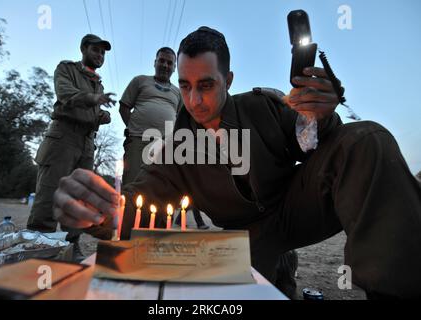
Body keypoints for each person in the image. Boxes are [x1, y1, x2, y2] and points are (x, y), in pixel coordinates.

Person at [53, 27, 421, 298]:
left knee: (367, 138)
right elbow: (139, 199)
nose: (194, 100)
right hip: (243, 239)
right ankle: (279, 269)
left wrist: (320, 114)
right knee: (243, 295)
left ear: (228, 79)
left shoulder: (262, 106)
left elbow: (320, 145)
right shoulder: (177, 146)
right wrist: (98, 212)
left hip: (295, 207)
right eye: (185, 86)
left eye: (206, 85)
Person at [27, 34, 116, 261]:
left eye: (103, 52)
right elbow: (65, 94)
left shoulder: (98, 83)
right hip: (63, 136)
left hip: (87, 142)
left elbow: (92, 111)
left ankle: (71, 246)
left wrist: (102, 116)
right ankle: (38, 248)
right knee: (50, 191)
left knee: (79, 196)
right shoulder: (67, 69)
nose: (100, 55)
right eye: (96, 50)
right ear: (83, 49)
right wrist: (94, 100)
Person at [119, 46, 208, 229]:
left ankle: (156, 236)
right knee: (133, 186)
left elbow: (182, 118)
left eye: (169, 63)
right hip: (138, 141)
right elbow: (124, 106)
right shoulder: (140, 81)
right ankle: (126, 237)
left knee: (161, 189)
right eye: (162, 61)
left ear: (174, 67)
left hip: (165, 148)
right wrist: (134, 127)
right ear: (155, 62)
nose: (165, 65)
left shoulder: (178, 92)